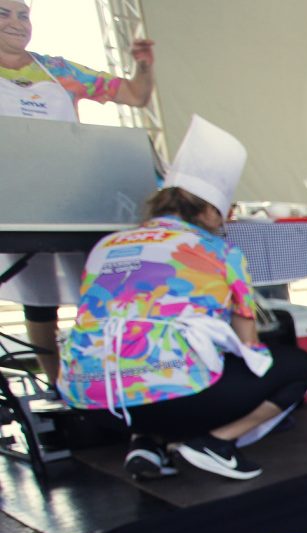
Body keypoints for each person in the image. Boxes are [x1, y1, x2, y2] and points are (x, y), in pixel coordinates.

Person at [58, 117, 307, 481]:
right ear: (210, 209)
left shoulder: (107, 246)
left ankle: (146, 443)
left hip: (94, 403)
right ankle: (215, 443)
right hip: (178, 400)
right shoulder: (219, 251)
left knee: (137, 352)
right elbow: (248, 343)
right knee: (295, 366)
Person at [0, 0, 157, 385]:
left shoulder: (58, 70)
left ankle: (105, 379)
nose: (18, 23)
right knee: (39, 298)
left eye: (24, 15)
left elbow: (135, 96)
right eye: (5, 13)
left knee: (98, 287)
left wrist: (144, 66)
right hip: (13, 205)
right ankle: (56, 384)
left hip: (74, 201)